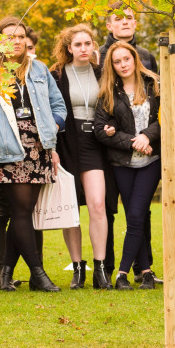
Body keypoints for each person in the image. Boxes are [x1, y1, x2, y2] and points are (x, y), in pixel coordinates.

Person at [0, 16, 67, 292]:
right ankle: (39, 274)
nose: (17, 41)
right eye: (9, 36)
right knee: (21, 211)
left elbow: (58, 105)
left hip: (38, 147)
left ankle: (5, 273)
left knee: (25, 212)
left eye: (21, 36)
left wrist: (53, 127)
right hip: (8, 147)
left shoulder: (39, 68)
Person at [98, 1, 159, 284]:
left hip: (150, 159)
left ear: (136, 59)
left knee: (136, 213)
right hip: (122, 160)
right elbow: (102, 127)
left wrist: (148, 136)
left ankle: (122, 272)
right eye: (117, 61)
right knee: (134, 214)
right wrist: (131, 141)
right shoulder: (110, 91)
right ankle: (144, 271)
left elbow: (165, 118)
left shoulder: (152, 84)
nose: (123, 64)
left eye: (127, 59)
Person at [50, 24, 112, 290]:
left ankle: (100, 269)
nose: (84, 49)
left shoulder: (104, 73)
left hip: (96, 143)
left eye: (88, 43)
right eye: (78, 45)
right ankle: (78, 268)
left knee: (98, 205)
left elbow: (114, 106)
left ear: (94, 46)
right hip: (67, 143)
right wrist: (51, 148)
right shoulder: (57, 75)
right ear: (69, 48)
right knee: (71, 208)